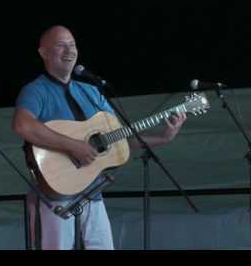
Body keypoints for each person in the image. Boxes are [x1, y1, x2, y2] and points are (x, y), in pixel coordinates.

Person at [12, 25, 186, 250]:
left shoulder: (91, 92)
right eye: (60, 45)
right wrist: (74, 146)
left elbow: (117, 143)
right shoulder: (35, 91)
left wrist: (162, 137)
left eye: (73, 44)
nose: (69, 50)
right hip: (55, 195)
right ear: (43, 53)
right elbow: (22, 124)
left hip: (92, 194)